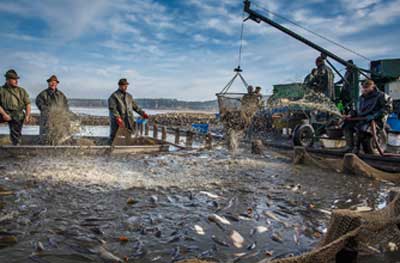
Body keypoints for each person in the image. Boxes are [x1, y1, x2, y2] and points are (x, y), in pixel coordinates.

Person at [343, 80, 393, 153]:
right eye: (363, 87)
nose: (364, 89)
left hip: (376, 120)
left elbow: (387, 108)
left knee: (361, 128)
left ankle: (357, 147)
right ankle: (350, 146)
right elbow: (356, 109)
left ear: (372, 87)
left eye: (367, 87)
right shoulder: (361, 98)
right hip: (362, 118)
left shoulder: (381, 95)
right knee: (347, 124)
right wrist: (351, 114)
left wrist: (374, 116)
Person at [108, 78, 149, 143]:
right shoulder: (114, 96)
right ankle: (111, 148)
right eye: (124, 85)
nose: (126, 87)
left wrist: (143, 113)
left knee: (129, 135)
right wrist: (118, 118)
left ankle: (127, 148)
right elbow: (113, 109)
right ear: (120, 86)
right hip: (118, 121)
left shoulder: (129, 96)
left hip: (129, 120)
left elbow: (135, 107)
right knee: (115, 136)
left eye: (126, 85)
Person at [0, 69, 31, 145]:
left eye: (16, 79)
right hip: (3, 112)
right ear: (7, 80)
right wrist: (4, 114)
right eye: (14, 79)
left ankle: (16, 145)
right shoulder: (1, 90)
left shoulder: (21, 91)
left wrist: (27, 116)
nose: (16, 81)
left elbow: (28, 104)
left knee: (16, 133)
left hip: (17, 114)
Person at [35, 75, 70, 142]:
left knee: (58, 136)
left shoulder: (61, 95)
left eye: (54, 82)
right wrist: (48, 111)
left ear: (57, 84)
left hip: (59, 120)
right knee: (45, 137)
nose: (53, 83)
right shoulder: (43, 94)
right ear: (48, 83)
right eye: (51, 82)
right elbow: (39, 103)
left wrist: (65, 115)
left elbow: (66, 106)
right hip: (47, 120)